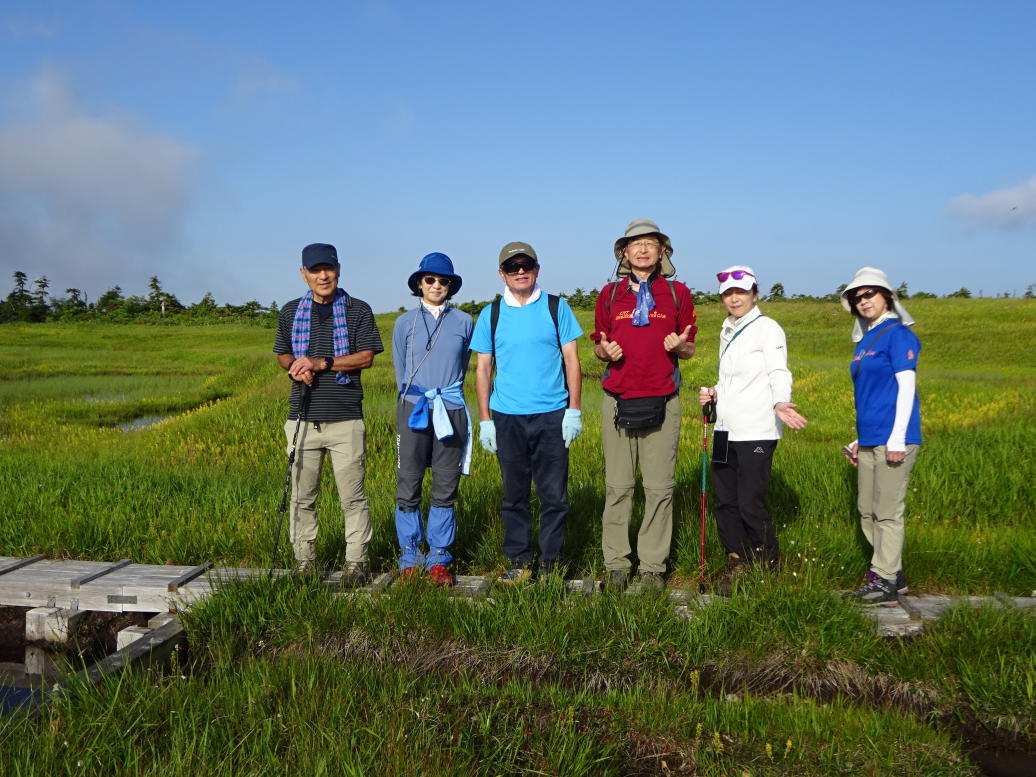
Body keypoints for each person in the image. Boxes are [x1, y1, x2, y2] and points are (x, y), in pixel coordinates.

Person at [591, 219, 697, 591]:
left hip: (663, 399)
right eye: (635, 244)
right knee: (618, 487)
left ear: (662, 251)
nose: (642, 249)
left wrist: (679, 347)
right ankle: (617, 564)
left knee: (659, 488)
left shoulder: (678, 293)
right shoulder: (608, 295)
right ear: (623, 252)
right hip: (617, 399)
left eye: (650, 243)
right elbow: (599, 343)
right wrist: (604, 351)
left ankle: (653, 567)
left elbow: (689, 344)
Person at [471, 241, 583, 583]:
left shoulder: (556, 307)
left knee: (554, 496)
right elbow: (482, 369)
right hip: (507, 417)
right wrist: (486, 419)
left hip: (552, 414)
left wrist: (573, 410)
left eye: (527, 265)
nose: (521, 271)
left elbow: (572, 360)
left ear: (537, 268)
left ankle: (551, 564)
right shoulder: (491, 314)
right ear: (501, 273)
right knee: (514, 495)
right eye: (513, 266)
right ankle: (518, 563)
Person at [273, 243, 384, 582]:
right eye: (315, 270)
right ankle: (304, 564)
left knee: (352, 497)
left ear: (339, 270)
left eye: (329, 269)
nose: (323, 276)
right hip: (302, 419)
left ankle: (357, 563)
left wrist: (322, 363)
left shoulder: (357, 310)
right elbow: (282, 353)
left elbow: (366, 356)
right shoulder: (291, 312)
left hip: (346, 418)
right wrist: (296, 367)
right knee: (301, 498)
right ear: (303, 274)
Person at [697, 266, 807, 589]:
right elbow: (729, 377)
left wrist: (780, 402)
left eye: (741, 292)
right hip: (724, 429)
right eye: (728, 294)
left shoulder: (768, 329)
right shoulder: (726, 329)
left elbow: (778, 372)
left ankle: (766, 565)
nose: (734, 298)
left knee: (749, 501)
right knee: (725, 501)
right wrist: (714, 392)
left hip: (756, 429)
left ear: (755, 294)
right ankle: (737, 558)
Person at [840, 267, 921, 605]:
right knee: (866, 510)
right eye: (858, 297)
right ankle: (893, 572)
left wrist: (897, 438)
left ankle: (883, 578)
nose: (863, 301)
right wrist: (862, 439)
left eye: (870, 294)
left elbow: (906, 388)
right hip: (871, 438)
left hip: (895, 439)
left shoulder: (897, 334)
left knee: (887, 511)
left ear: (887, 295)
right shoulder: (866, 339)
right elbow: (873, 395)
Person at [392, 253, 473, 586]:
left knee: (445, 485)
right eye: (430, 280)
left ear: (450, 286)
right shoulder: (404, 323)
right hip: (414, 408)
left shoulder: (466, 322)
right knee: (408, 484)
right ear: (419, 284)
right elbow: (400, 367)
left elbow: (466, 364)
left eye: (443, 281)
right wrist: (414, 399)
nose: (437, 285)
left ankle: (439, 558)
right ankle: (410, 558)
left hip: (450, 409)